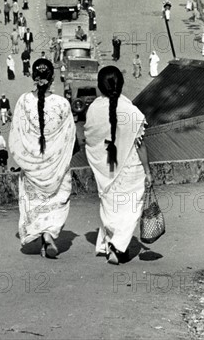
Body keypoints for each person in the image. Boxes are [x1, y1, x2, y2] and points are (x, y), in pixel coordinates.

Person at [84, 66, 152, 264]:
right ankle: (117, 246)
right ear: (121, 84)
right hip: (130, 168)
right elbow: (141, 145)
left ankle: (111, 243)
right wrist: (148, 171)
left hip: (106, 168)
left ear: (99, 86)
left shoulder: (94, 109)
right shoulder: (131, 111)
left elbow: (88, 138)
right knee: (130, 209)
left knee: (111, 207)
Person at [9, 59, 76, 257]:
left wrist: (27, 161)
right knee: (55, 201)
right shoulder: (62, 104)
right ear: (53, 78)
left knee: (35, 202)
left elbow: (16, 135)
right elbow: (70, 138)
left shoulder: (23, 101)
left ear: (33, 77)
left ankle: (42, 235)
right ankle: (49, 234)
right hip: (56, 166)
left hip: (32, 167)